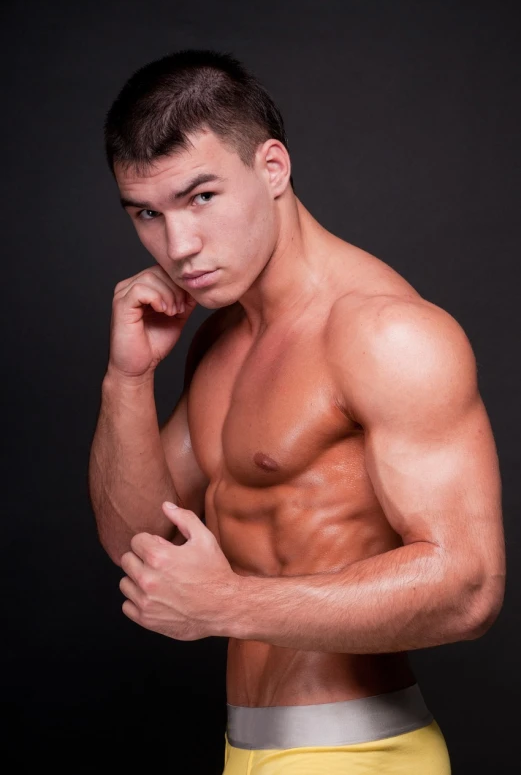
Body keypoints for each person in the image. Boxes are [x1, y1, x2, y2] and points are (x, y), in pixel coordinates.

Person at [88, 49, 505, 774]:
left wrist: (227, 604)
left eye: (201, 197)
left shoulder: (383, 332)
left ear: (272, 168)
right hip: (246, 749)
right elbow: (140, 545)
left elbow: (468, 586)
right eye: (147, 214)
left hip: (360, 752)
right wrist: (127, 379)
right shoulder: (220, 335)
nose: (178, 246)